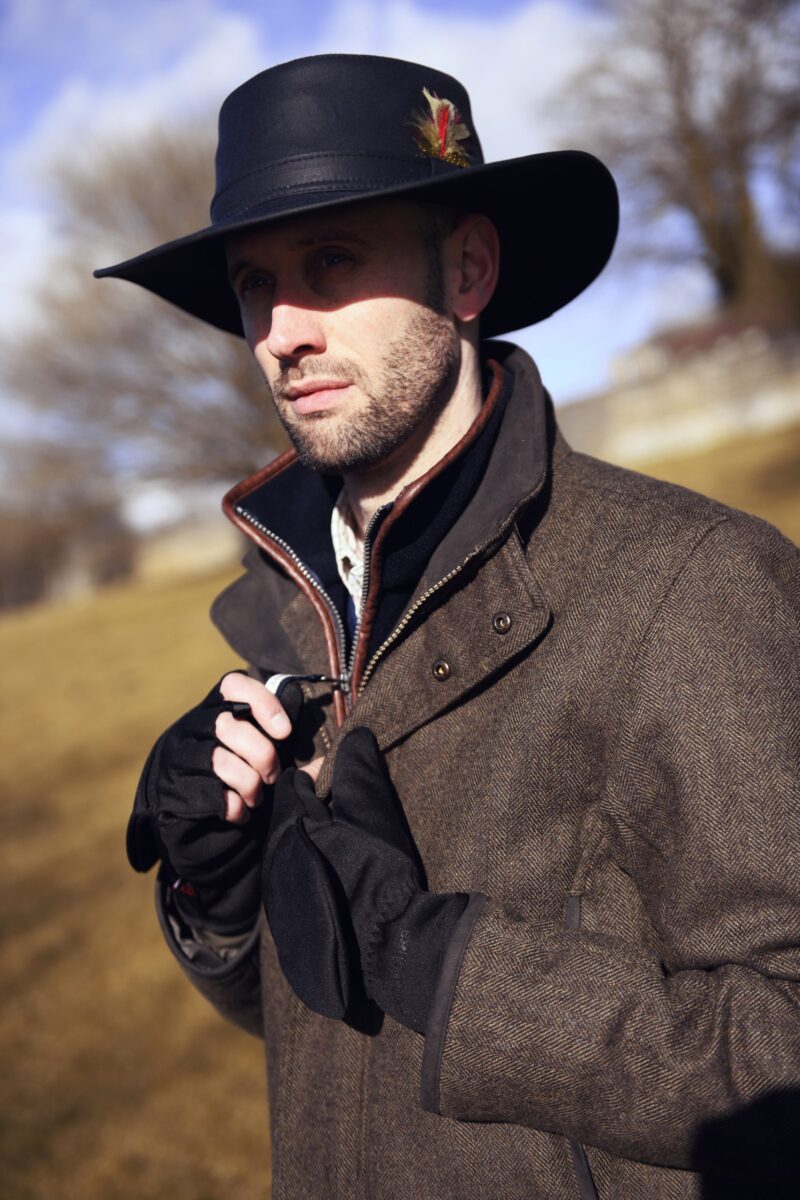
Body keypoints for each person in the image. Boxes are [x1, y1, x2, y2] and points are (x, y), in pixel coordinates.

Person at [96, 54, 800, 1200]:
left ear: (466, 268)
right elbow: (334, 1036)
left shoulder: (691, 585)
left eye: (330, 264)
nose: (280, 331)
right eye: (252, 284)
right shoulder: (292, 616)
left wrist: (445, 964)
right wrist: (218, 896)